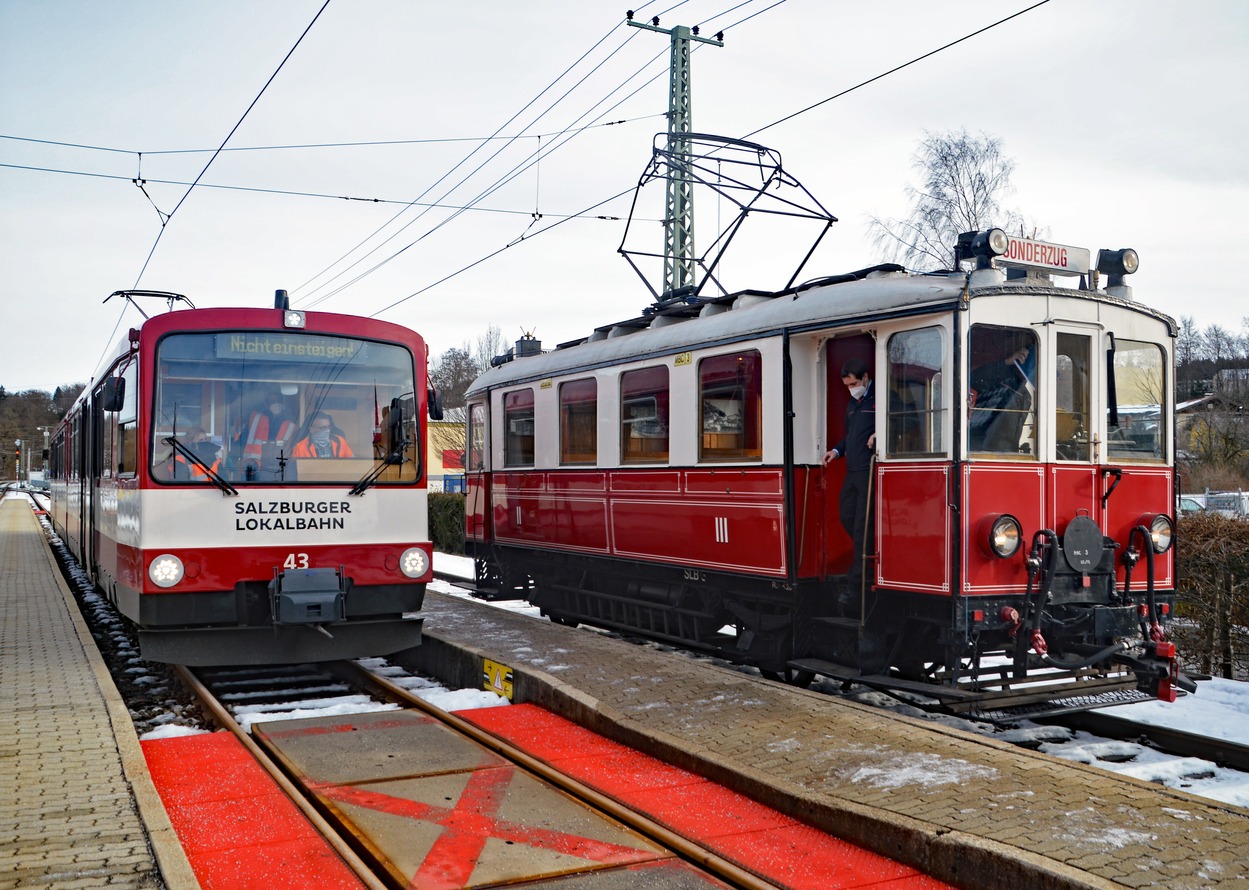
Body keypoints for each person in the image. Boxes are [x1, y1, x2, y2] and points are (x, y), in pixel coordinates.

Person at [822, 358, 876, 614]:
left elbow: (905, 421)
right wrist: (836, 450)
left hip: (869, 470)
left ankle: (857, 582)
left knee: (861, 526)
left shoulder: (881, 398)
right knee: (847, 517)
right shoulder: (854, 405)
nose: (851, 388)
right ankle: (865, 560)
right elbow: (850, 435)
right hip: (852, 469)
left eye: (854, 383)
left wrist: (882, 434)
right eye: (847, 385)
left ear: (865, 377)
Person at [968, 343, 1033, 452]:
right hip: (981, 447)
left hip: (1007, 449)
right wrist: (1006, 363)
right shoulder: (1001, 382)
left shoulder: (1026, 395)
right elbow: (974, 377)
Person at [242, 391, 297, 462]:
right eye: (273, 401)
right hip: (255, 464)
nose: (276, 404)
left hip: (279, 466)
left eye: (278, 401)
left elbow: (294, 447)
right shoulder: (257, 419)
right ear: (266, 404)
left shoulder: (290, 424)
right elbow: (243, 440)